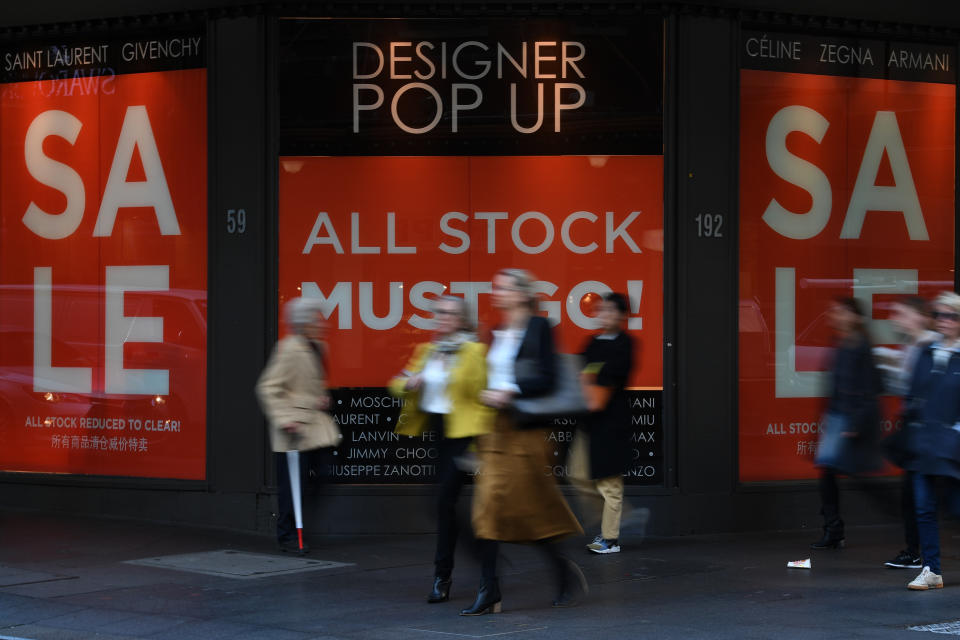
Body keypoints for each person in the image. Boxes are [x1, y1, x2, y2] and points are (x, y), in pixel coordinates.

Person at [462, 268, 585, 616]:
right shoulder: (495, 332)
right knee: (487, 511)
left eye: (502, 287)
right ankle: (490, 591)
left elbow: (546, 379)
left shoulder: (540, 328)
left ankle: (562, 573)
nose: (496, 292)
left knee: (528, 513)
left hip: (526, 435)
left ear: (521, 293)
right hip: (494, 431)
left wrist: (509, 392)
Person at [388, 296, 493, 604]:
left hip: (463, 436)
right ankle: (462, 564)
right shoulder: (428, 352)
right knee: (443, 507)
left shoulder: (474, 352)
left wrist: (478, 444)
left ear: (462, 320)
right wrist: (410, 384)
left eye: (450, 314)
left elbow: (482, 398)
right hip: (437, 434)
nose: (443, 318)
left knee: (443, 500)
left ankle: (443, 575)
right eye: (439, 313)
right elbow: (396, 384)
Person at [256, 297, 340, 554]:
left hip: (314, 423)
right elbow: (268, 387)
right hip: (294, 426)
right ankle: (287, 534)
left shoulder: (318, 347)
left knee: (323, 472)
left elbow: (308, 384)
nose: (321, 323)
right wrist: (284, 419)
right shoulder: (290, 348)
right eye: (316, 318)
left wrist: (321, 397)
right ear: (304, 323)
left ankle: (298, 522)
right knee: (292, 483)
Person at [810, 297, 883, 550]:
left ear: (855, 317)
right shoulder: (841, 344)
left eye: (841, 312)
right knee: (828, 470)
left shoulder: (861, 348)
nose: (836, 316)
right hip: (837, 417)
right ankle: (833, 528)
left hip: (849, 419)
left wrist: (855, 421)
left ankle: (837, 528)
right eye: (834, 312)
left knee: (847, 473)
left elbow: (871, 388)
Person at [903, 291, 960, 590]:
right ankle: (931, 569)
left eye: (952, 316)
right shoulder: (926, 353)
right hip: (925, 442)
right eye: (939, 315)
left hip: (953, 445)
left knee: (956, 506)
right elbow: (912, 394)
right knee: (924, 508)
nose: (945, 321)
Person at [570, 292, 634, 555]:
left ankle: (610, 538)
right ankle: (622, 517)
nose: (605, 314)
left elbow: (612, 374)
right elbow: (583, 371)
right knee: (578, 476)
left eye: (611, 310)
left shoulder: (625, 343)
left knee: (610, 484)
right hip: (589, 421)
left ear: (621, 315)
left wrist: (591, 374)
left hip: (611, 422)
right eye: (601, 309)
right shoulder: (592, 342)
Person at [878, 297, 937, 569]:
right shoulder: (912, 346)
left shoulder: (931, 345)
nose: (896, 319)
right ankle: (916, 553)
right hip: (914, 428)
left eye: (901, 314)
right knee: (914, 495)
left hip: (928, 430)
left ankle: (920, 555)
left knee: (922, 496)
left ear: (919, 316)